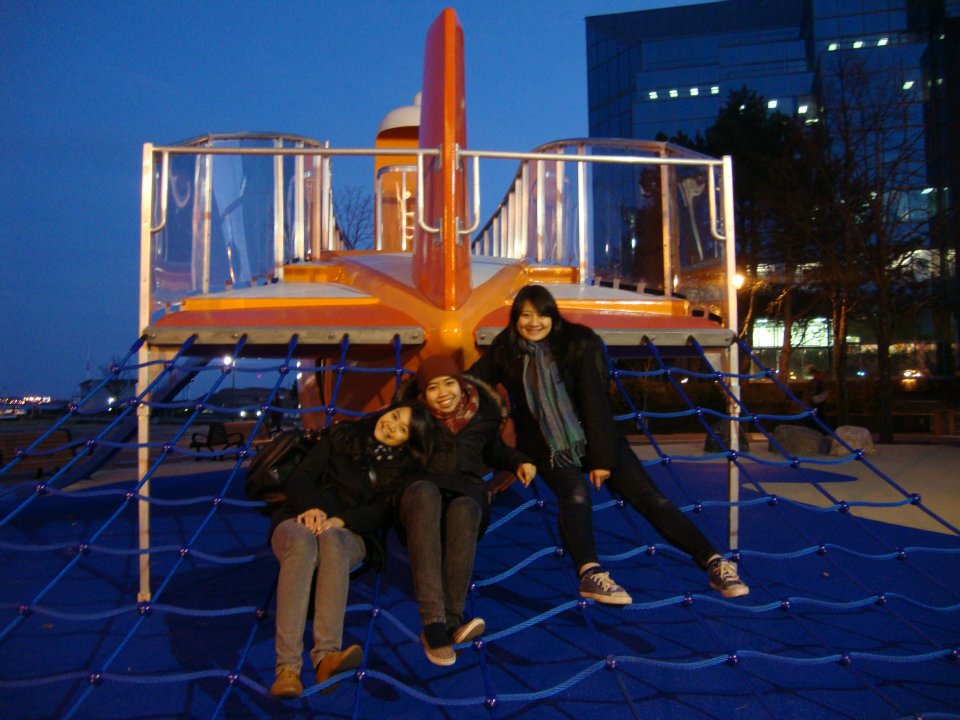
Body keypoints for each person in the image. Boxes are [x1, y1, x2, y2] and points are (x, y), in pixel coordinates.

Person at [468, 284, 749, 605]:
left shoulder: (579, 342)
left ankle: (714, 561)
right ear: (515, 317)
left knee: (649, 498)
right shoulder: (508, 348)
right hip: (546, 443)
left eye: (542, 314)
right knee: (574, 495)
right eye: (525, 315)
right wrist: (439, 395)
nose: (534, 323)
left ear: (553, 315)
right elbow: (474, 381)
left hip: (595, 433)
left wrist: (601, 458)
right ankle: (591, 574)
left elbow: (595, 401)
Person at [267, 402, 433, 699]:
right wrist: (312, 509)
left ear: (408, 440)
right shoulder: (341, 436)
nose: (392, 426)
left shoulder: (403, 470)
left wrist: (341, 520)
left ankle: (326, 657)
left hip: (350, 532)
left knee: (333, 540)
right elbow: (300, 478)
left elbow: (382, 512)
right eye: (394, 416)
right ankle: (287, 669)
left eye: (403, 429)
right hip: (298, 520)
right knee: (303, 544)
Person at [396, 355, 537, 666]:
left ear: (461, 385)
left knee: (465, 509)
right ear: (422, 394)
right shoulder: (414, 418)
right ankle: (433, 623)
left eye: (449, 383)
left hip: (466, 491)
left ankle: (450, 621)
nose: (443, 392)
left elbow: (495, 451)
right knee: (424, 492)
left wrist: (517, 461)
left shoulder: (482, 417)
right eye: (432, 387)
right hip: (423, 492)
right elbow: (381, 438)